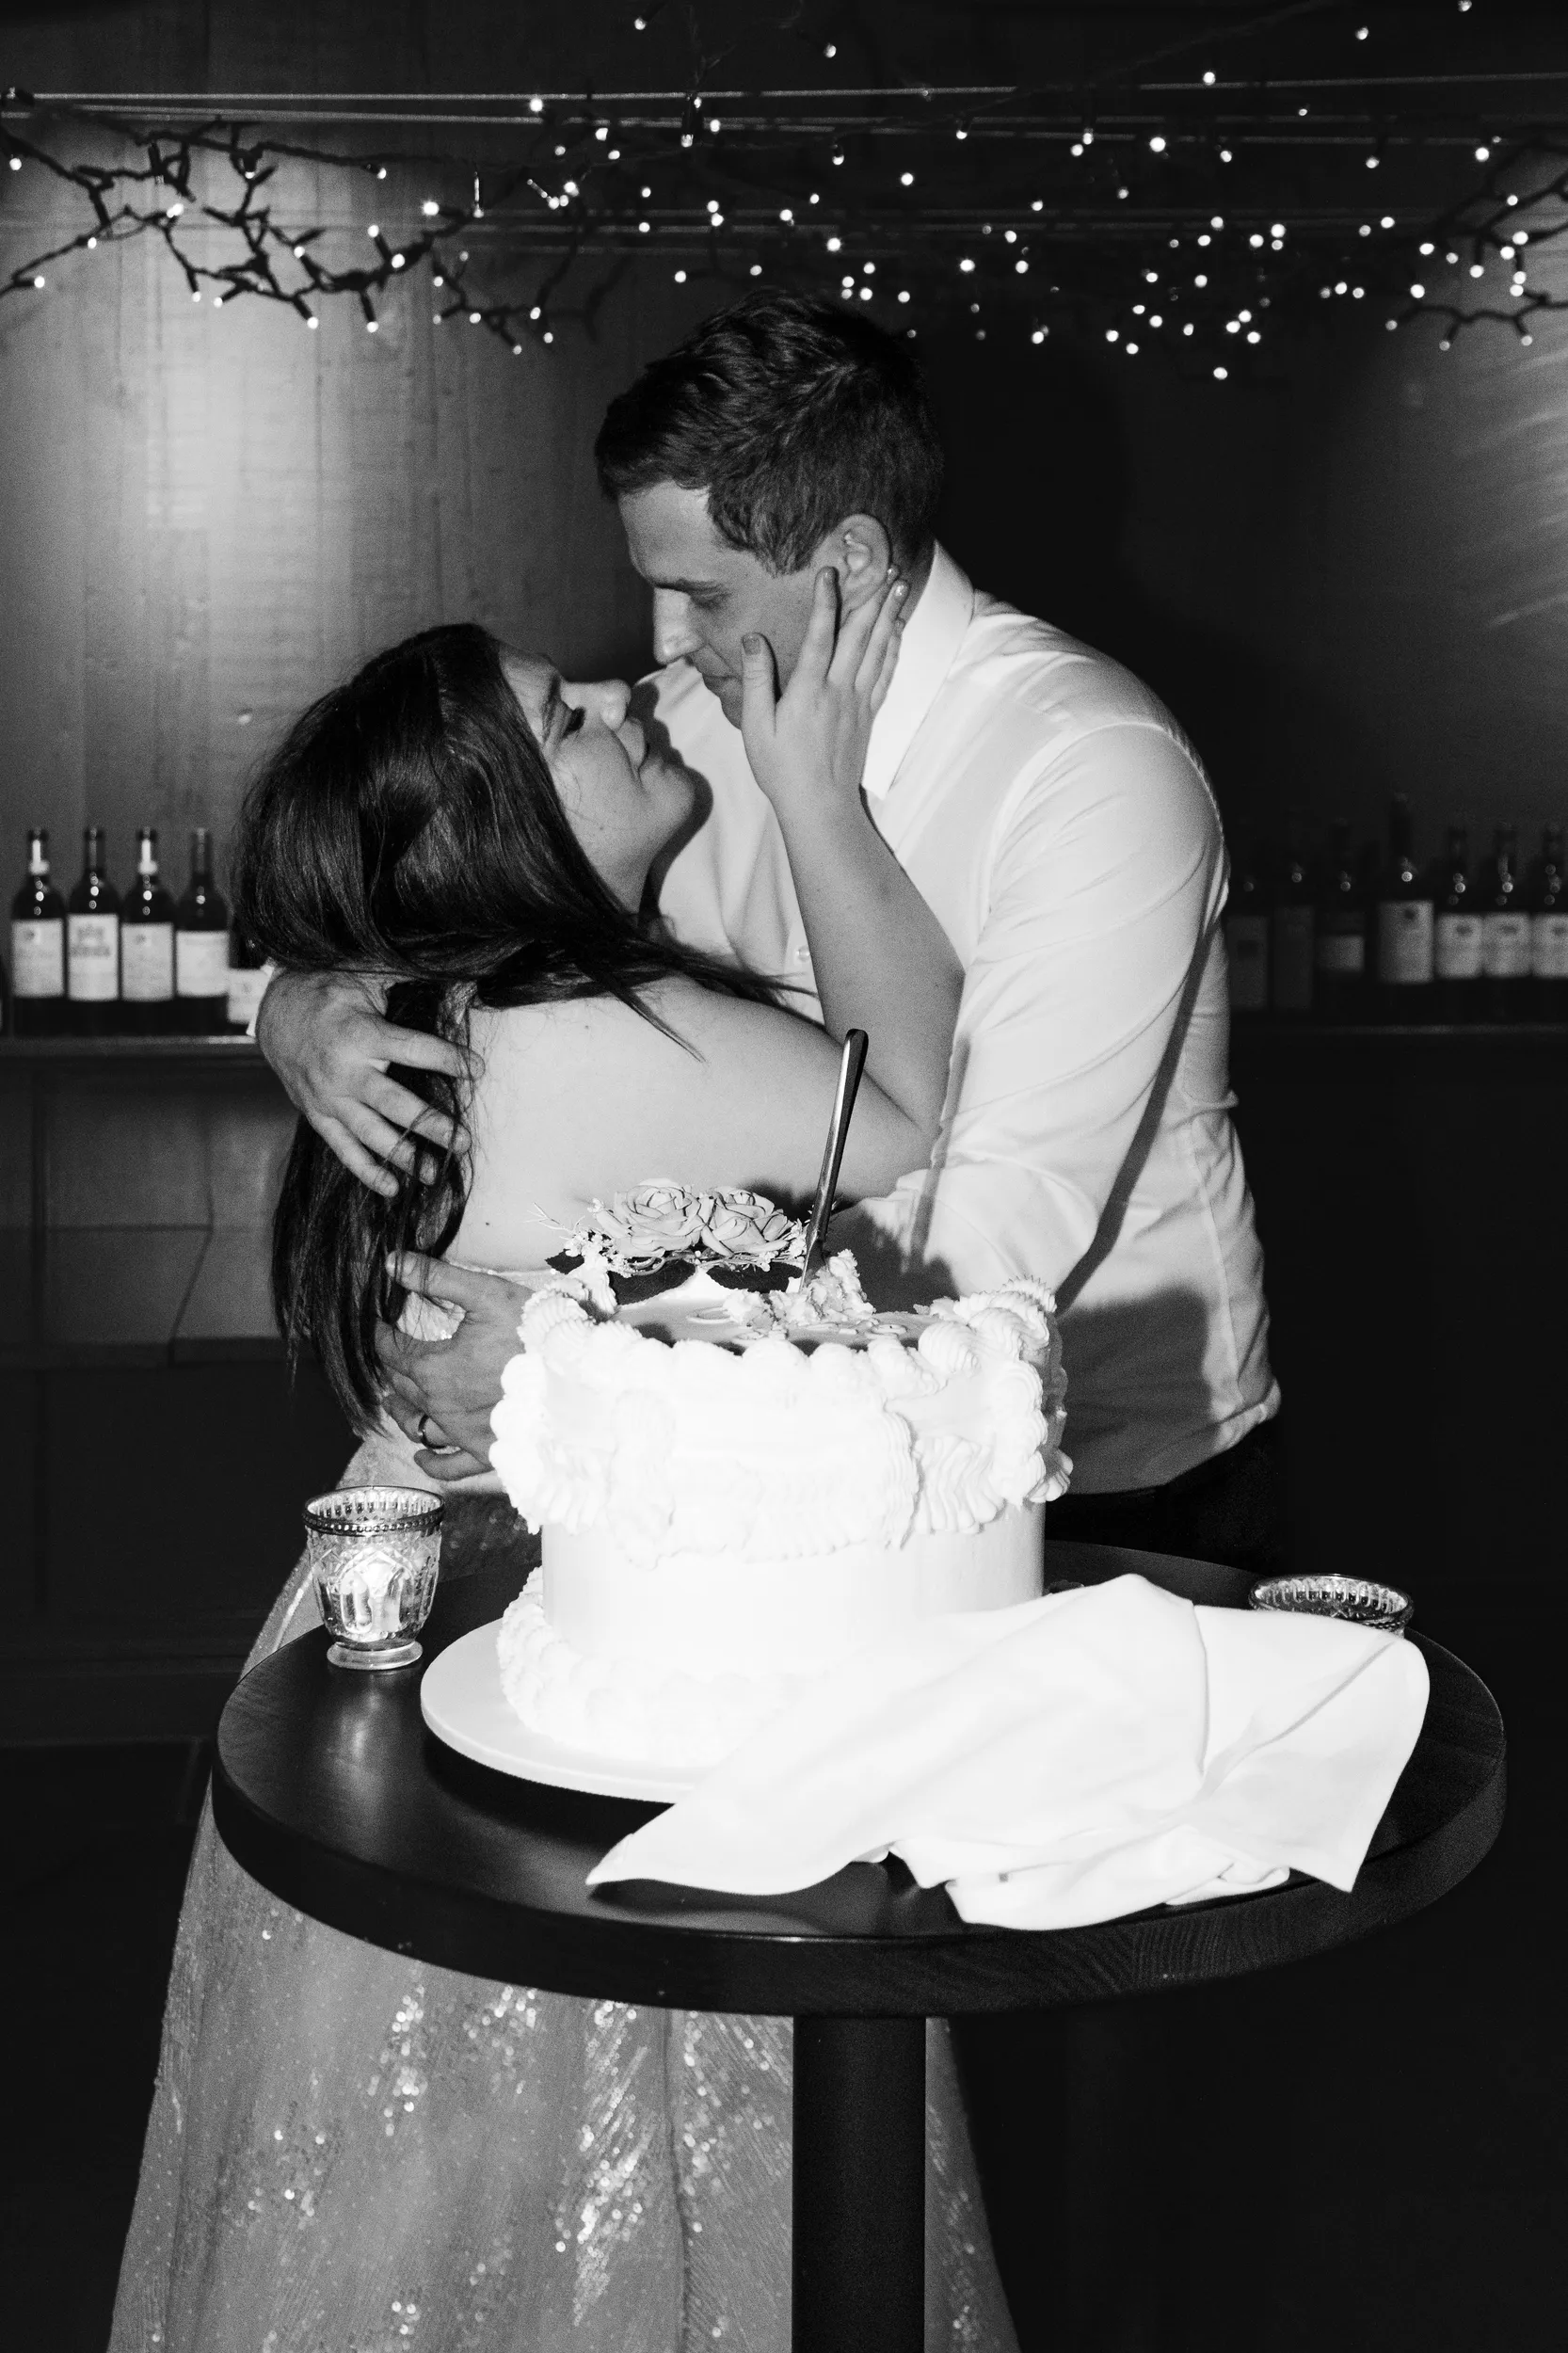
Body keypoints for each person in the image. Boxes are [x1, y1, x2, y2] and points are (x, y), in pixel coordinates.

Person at [109, 613, 1021, 2351]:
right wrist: (810, 785)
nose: (615, 700)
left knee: (421, 2184)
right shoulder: (589, 1026)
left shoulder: (441, 1021)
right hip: (580, 1635)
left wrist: (291, 1000)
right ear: (489, 825)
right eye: (559, 715)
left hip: (396, 1597)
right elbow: (910, 1108)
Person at [259, 293, 1281, 1566]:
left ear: (847, 564)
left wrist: (603, 1359)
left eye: (696, 594)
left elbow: (998, 1227)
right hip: (747, 1466)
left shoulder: (1086, 767)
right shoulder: (678, 732)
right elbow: (473, 881)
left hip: (1085, 1448)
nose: (661, 649)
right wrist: (307, 1000)